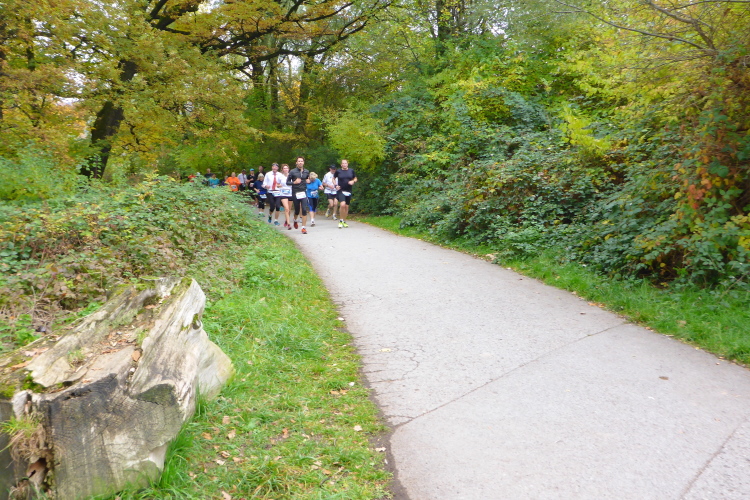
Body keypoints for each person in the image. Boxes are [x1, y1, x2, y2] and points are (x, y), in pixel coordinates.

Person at [287, 156, 311, 234]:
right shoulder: (292, 171)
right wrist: (294, 182)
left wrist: (308, 181)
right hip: (295, 192)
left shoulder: (306, 171)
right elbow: (287, 182)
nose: (300, 162)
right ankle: (295, 219)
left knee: (304, 209)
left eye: (301, 161)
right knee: (297, 210)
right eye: (299, 161)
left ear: (303, 162)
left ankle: (303, 228)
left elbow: (307, 179)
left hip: (303, 192)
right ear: (296, 162)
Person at [334, 159, 357, 228]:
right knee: (342, 204)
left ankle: (344, 221)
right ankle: (341, 220)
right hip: (341, 190)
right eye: (343, 163)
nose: (344, 164)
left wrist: (353, 181)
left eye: (345, 163)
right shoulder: (338, 171)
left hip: (348, 190)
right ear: (341, 165)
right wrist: (336, 185)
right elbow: (333, 178)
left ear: (347, 164)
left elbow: (355, 178)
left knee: (346, 207)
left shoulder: (351, 171)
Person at [278, 164, 293, 229]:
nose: (286, 169)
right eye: (284, 168)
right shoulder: (280, 177)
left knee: (289, 209)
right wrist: (279, 186)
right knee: (286, 208)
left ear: (288, 169)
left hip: (290, 194)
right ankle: (289, 224)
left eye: (287, 168)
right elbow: (277, 184)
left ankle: (286, 220)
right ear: (282, 170)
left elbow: (294, 183)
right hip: (283, 194)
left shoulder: (291, 176)